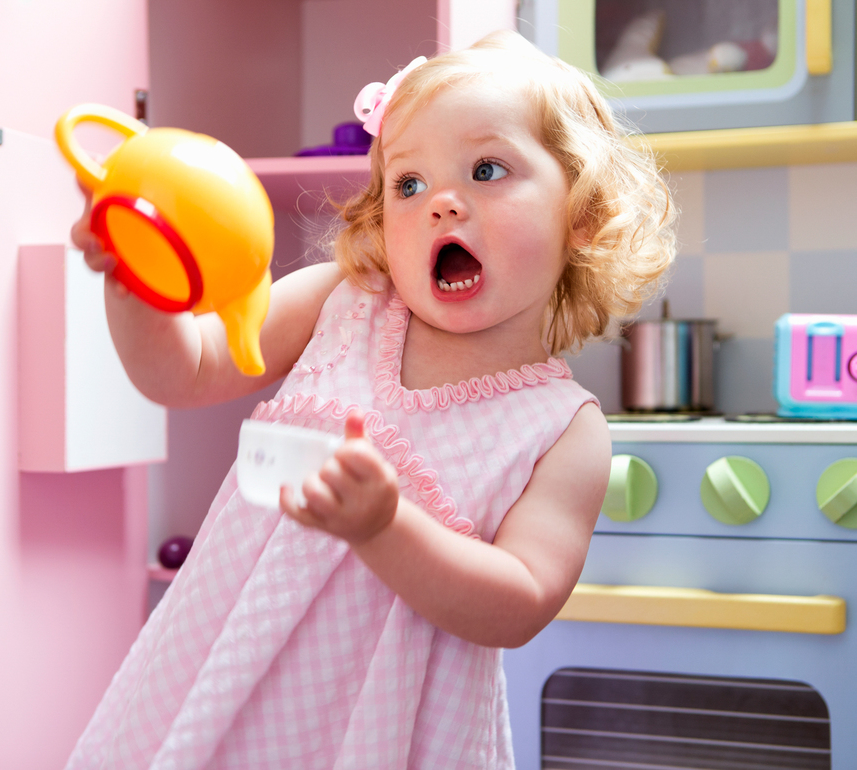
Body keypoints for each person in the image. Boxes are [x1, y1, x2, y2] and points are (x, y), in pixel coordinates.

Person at [64, 29, 676, 770]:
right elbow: (184, 371)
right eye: (409, 185)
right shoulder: (344, 301)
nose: (442, 204)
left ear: (580, 215)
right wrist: (136, 281)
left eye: (487, 169)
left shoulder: (561, 430)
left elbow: (520, 602)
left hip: (386, 729)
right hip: (223, 678)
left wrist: (384, 528)